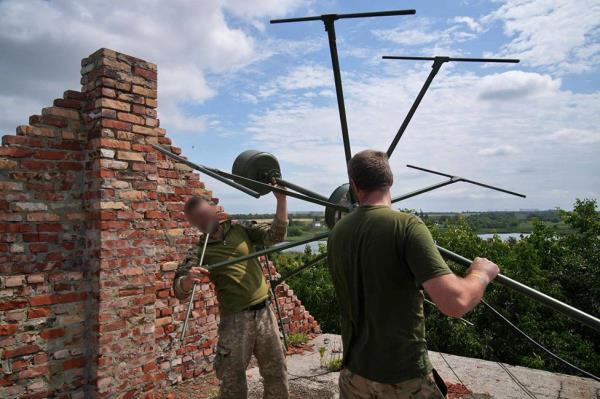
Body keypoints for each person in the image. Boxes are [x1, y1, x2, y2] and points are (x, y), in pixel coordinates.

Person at [327, 150, 500, 399]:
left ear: (354, 185)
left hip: (354, 375)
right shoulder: (406, 226)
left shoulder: (337, 232)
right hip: (402, 377)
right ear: (391, 180)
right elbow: (456, 302)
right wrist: (481, 273)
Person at [173, 184, 289, 399]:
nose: (204, 221)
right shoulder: (200, 250)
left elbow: (276, 236)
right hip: (235, 320)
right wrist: (188, 280)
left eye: (205, 214)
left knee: (277, 372)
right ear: (193, 224)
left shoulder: (240, 228)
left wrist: (281, 200)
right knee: (233, 381)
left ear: (214, 210)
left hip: (265, 312)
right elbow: (179, 288)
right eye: (197, 219)